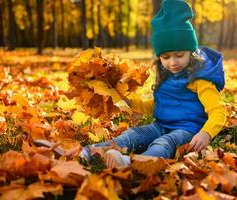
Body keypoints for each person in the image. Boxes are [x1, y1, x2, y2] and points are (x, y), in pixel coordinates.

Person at [78, 0, 226, 168]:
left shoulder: (200, 79)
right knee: (132, 134)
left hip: (188, 130)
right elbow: (157, 105)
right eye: (166, 57)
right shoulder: (166, 75)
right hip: (161, 125)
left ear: (191, 52)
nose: (172, 62)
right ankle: (92, 151)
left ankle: (134, 164)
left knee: (164, 143)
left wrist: (206, 133)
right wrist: (132, 103)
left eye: (179, 55)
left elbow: (218, 112)